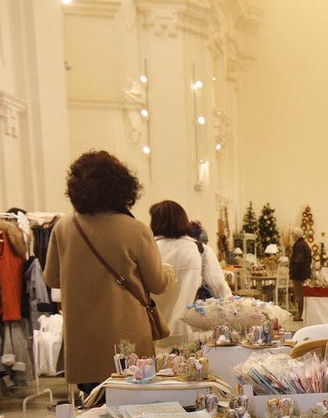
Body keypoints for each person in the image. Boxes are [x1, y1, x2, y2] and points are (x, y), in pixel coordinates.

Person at [43, 151, 175, 392]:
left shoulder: (63, 227)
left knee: (92, 405)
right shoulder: (135, 230)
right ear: (123, 187)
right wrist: (169, 271)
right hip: (127, 336)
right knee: (131, 403)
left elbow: (51, 278)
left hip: (82, 339)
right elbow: (157, 283)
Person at [149, 199, 230, 343]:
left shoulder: (149, 250)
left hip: (155, 333)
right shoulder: (201, 251)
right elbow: (221, 291)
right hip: (193, 333)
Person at [289, 232, 312, 320]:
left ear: (297, 235)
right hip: (304, 273)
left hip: (299, 275)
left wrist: (292, 271)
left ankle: (300, 314)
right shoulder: (304, 244)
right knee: (301, 295)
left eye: (293, 235)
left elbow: (298, 260)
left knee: (299, 295)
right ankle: (300, 313)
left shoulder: (299, 246)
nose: (292, 237)